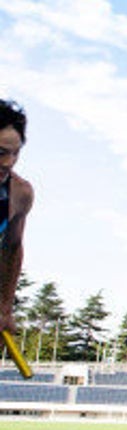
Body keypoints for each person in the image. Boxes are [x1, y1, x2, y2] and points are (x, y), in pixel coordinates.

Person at [0, 100, 34, 336]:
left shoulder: (19, 193)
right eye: (1, 153)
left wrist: (5, 309)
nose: (8, 163)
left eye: (16, 153)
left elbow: (12, 247)